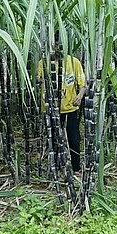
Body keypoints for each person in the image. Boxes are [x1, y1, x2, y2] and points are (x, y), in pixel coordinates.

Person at [39, 35, 87, 174]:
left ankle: (76, 168)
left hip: (70, 107)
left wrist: (79, 96)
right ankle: (56, 168)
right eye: (54, 45)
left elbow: (82, 84)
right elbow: (39, 82)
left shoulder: (74, 62)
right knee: (53, 139)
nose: (57, 49)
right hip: (51, 108)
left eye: (59, 45)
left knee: (73, 139)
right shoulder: (43, 63)